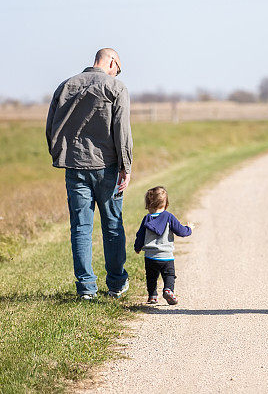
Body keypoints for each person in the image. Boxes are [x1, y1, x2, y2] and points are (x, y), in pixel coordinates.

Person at [45, 48, 132, 300]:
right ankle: (116, 284)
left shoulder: (66, 86)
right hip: (108, 166)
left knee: (81, 228)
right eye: (118, 67)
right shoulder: (116, 87)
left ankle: (86, 289)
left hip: (74, 167)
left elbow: (51, 126)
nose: (117, 73)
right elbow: (122, 131)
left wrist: (60, 154)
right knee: (112, 225)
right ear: (112, 62)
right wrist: (126, 166)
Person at [133, 186, 192, 305]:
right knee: (169, 275)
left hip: (150, 257)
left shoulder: (146, 219)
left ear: (148, 204)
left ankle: (152, 296)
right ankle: (168, 290)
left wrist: (137, 247)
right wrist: (189, 229)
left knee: (151, 277)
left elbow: (140, 235)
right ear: (166, 204)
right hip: (166, 256)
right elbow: (181, 231)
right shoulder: (169, 217)